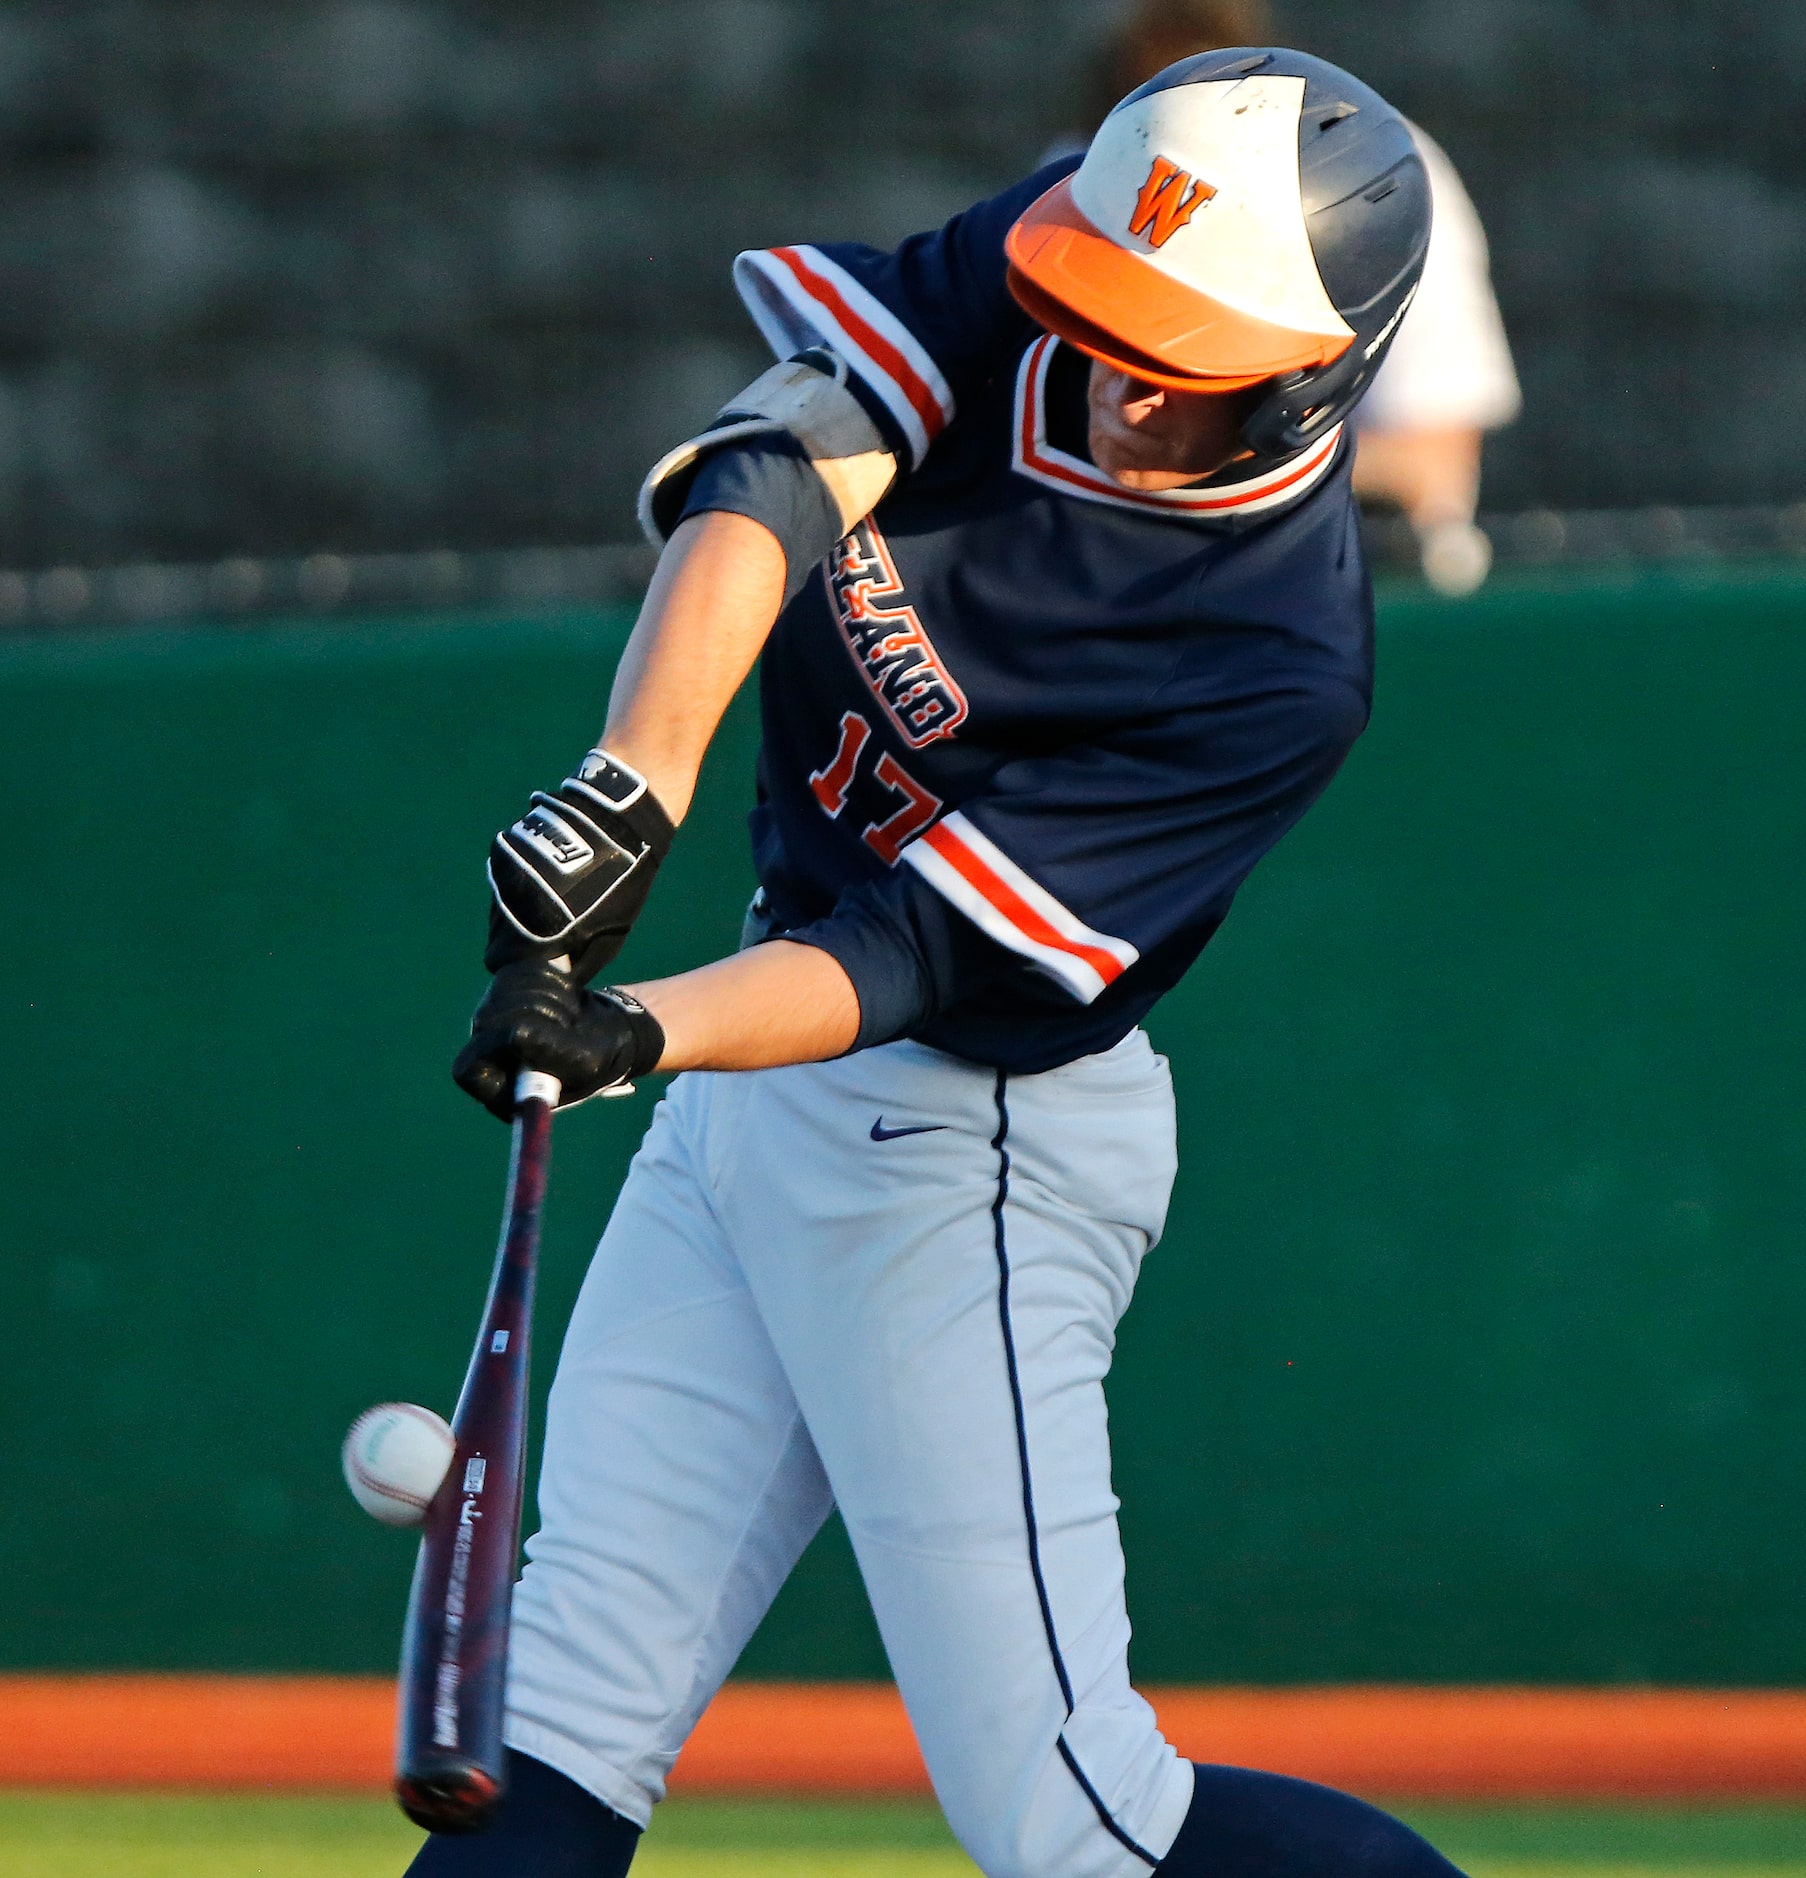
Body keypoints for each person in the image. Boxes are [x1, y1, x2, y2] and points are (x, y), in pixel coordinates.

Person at [416, 46, 1468, 1878]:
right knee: (553, 1732)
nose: (1122, 366)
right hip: (759, 1101)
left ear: (1319, 369)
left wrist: (632, 1028)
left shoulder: (1273, 660)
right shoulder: (1081, 242)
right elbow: (788, 460)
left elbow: (910, 950)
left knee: (1076, 1819)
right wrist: (626, 790)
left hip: (961, 1152)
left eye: (1186, 350)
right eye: (1113, 311)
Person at [1073, 0, 1521, 594]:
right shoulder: (1090, 162)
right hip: (1103, 579)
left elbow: (1431, 470)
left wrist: (1213, 456)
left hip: (1337, 583)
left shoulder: (1370, 181)